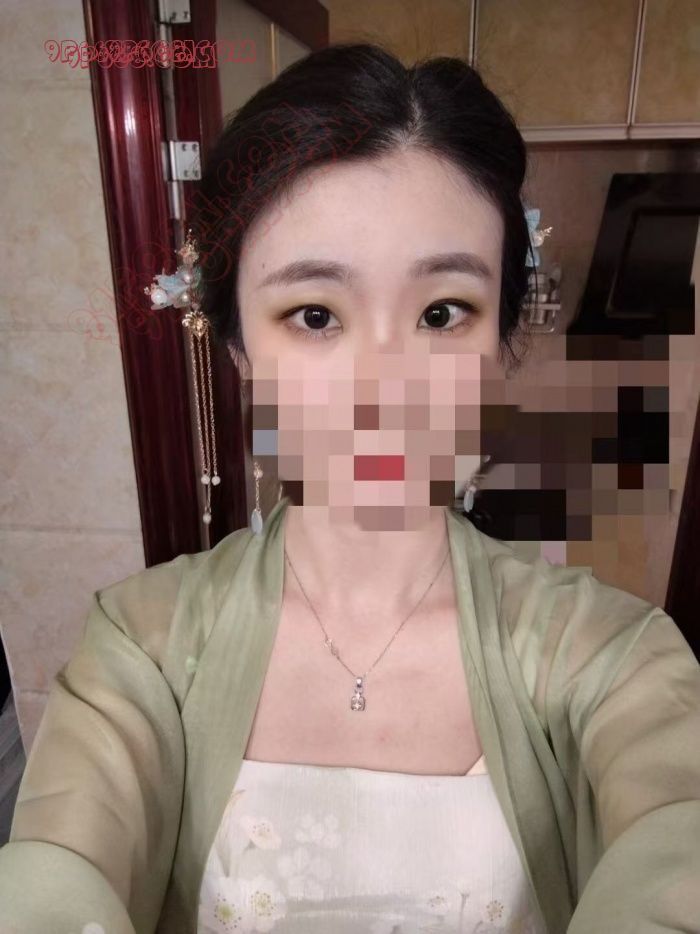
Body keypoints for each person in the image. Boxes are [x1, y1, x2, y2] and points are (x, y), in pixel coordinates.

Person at [1, 43, 698, 934]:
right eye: (315, 315)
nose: (385, 390)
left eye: (442, 312)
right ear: (239, 349)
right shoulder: (142, 652)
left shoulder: (612, 658)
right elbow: (58, 869)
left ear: (499, 343)